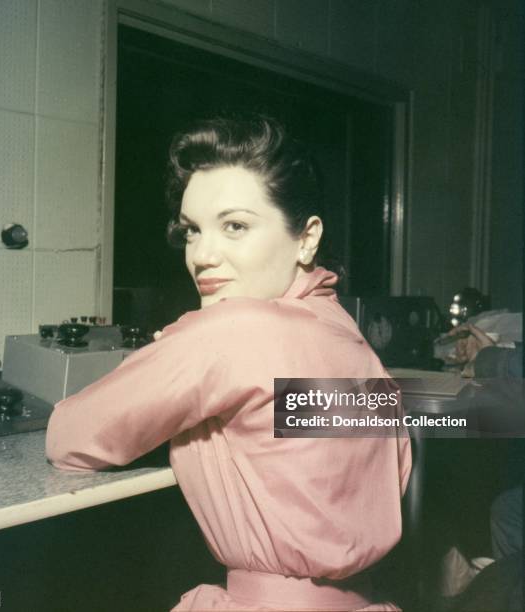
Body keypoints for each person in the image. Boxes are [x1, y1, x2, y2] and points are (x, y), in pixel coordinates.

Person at [46, 115, 412, 611]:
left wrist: (179, 353)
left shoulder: (231, 330)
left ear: (306, 238)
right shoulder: (344, 329)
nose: (203, 255)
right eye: (192, 231)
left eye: (235, 226)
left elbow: (70, 437)